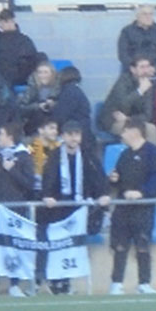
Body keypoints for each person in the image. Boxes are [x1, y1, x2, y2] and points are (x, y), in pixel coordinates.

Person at [40, 120, 109, 295]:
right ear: (63, 136)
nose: (74, 138)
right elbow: (48, 178)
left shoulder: (87, 155)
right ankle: (55, 281)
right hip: (58, 210)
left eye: (77, 134)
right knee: (58, 246)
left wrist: (103, 194)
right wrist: (47, 196)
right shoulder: (55, 156)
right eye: (70, 135)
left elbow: (98, 177)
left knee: (73, 247)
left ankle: (67, 282)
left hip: (78, 211)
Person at [107, 118, 156, 295]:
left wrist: (142, 193)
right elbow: (119, 179)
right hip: (124, 209)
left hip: (143, 208)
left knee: (143, 245)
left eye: (125, 131)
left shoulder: (153, 153)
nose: (122, 135)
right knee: (120, 246)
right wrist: (114, 180)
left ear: (135, 132)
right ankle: (116, 283)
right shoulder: (125, 155)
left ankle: (144, 283)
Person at [0, 121, 35, 297]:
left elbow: (30, 184)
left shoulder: (24, 156)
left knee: (15, 248)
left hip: (16, 213)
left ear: (10, 137)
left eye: (1, 134)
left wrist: (12, 170)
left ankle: (14, 285)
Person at [98, 56, 156, 144]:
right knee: (132, 131)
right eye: (142, 67)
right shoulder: (123, 81)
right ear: (133, 69)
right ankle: (130, 156)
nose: (145, 71)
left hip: (132, 120)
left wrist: (129, 118)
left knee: (151, 128)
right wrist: (140, 91)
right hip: (114, 120)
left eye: (147, 67)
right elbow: (123, 104)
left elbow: (148, 114)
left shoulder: (147, 85)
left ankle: (151, 157)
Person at [0, 8, 39, 88]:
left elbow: (33, 59)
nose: (8, 24)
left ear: (14, 21)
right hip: (0, 77)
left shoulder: (25, 40)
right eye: (5, 21)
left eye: (11, 21)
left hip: (22, 77)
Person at [116, 5, 156, 76]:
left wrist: (155, 68)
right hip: (133, 71)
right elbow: (122, 54)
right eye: (145, 14)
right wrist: (134, 68)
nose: (148, 17)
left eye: (151, 14)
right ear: (137, 16)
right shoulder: (127, 31)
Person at [52, 65, 93, 150]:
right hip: (84, 131)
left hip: (75, 132)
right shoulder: (76, 90)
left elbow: (60, 116)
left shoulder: (69, 92)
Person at [17, 60, 61, 136]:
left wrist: (53, 104)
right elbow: (21, 108)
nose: (42, 75)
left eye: (45, 72)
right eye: (39, 72)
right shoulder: (31, 89)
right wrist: (37, 106)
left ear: (52, 74)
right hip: (33, 122)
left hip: (53, 122)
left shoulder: (58, 89)